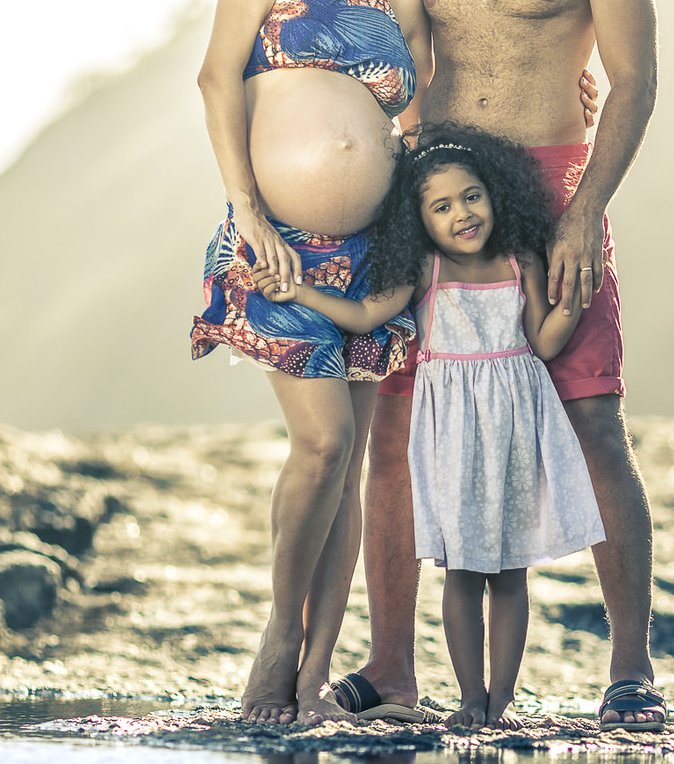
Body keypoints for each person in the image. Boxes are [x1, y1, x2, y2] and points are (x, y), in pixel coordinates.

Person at [339, 0, 665, 731]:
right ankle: (392, 667)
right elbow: (356, 27)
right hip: (435, 192)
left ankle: (631, 671)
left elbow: (633, 79)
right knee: (395, 428)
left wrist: (584, 212)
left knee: (592, 414)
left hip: (553, 186)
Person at [190, 0, 453, 727]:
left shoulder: (404, 2)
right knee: (324, 446)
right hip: (277, 249)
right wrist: (245, 208)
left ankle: (311, 683)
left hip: (371, 254)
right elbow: (217, 78)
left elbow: (414, 127)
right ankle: (277, 639)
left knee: (348, 471)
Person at [252, 126, 604, 728]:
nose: (462, 214)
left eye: (472, 196)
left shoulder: (520, 261)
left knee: (511, 574)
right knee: (463, 572)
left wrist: (571, 301)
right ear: (420, 221)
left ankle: (501, 701)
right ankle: (470, 698)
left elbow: (544, 343)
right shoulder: (425, 270)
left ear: (495, 195)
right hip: (454, 438)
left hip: (515, 431)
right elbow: (364, 313)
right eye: (441, 207)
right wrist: (301, 295)